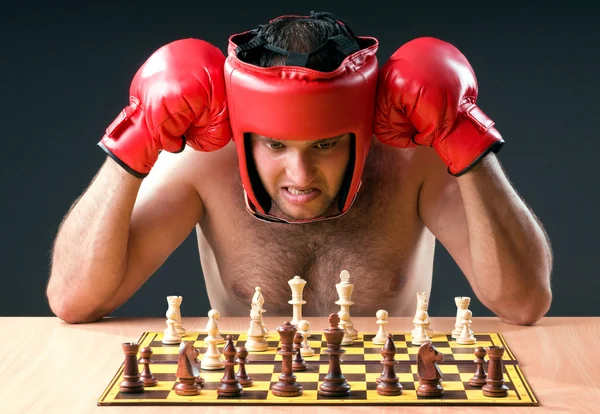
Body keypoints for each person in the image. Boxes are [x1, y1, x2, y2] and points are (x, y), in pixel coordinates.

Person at [46, 12, 553, 325]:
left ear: (363, 127)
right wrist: (135, 135)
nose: (300, 174)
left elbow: (524, 303)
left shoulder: (410, 159)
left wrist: (465, 136)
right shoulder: (204, 163)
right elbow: (72, 300)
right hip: (247, 395)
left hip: (388, 397)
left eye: (327, 144)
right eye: (274, 144)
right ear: (244, 131)